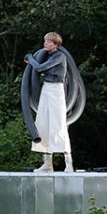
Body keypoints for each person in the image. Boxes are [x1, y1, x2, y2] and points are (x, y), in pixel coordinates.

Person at [24, 32, 73, 172]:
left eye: (49, 42)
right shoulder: (48, 55)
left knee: (58, 125)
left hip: (56, 91)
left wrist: (30, 59)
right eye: (45, 41)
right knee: (43, 123)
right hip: (46, 89)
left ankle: (68, 163)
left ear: (56, 44)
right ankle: (47, 163)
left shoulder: (60, 56)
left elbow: (40, 68)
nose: (46, 43)